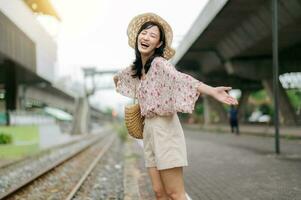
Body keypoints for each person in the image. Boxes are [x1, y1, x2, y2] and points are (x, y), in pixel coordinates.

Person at [113, 13, 238, 200]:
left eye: (152, 36)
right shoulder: (138, 69)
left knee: (175, 193)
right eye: (144, 33)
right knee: (159, 193)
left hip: (165, 129)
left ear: (159, 44)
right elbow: (120, 78)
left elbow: (182, 79)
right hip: (148, 131)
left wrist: (211, 90)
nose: (146, 37)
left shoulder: (160, 64)